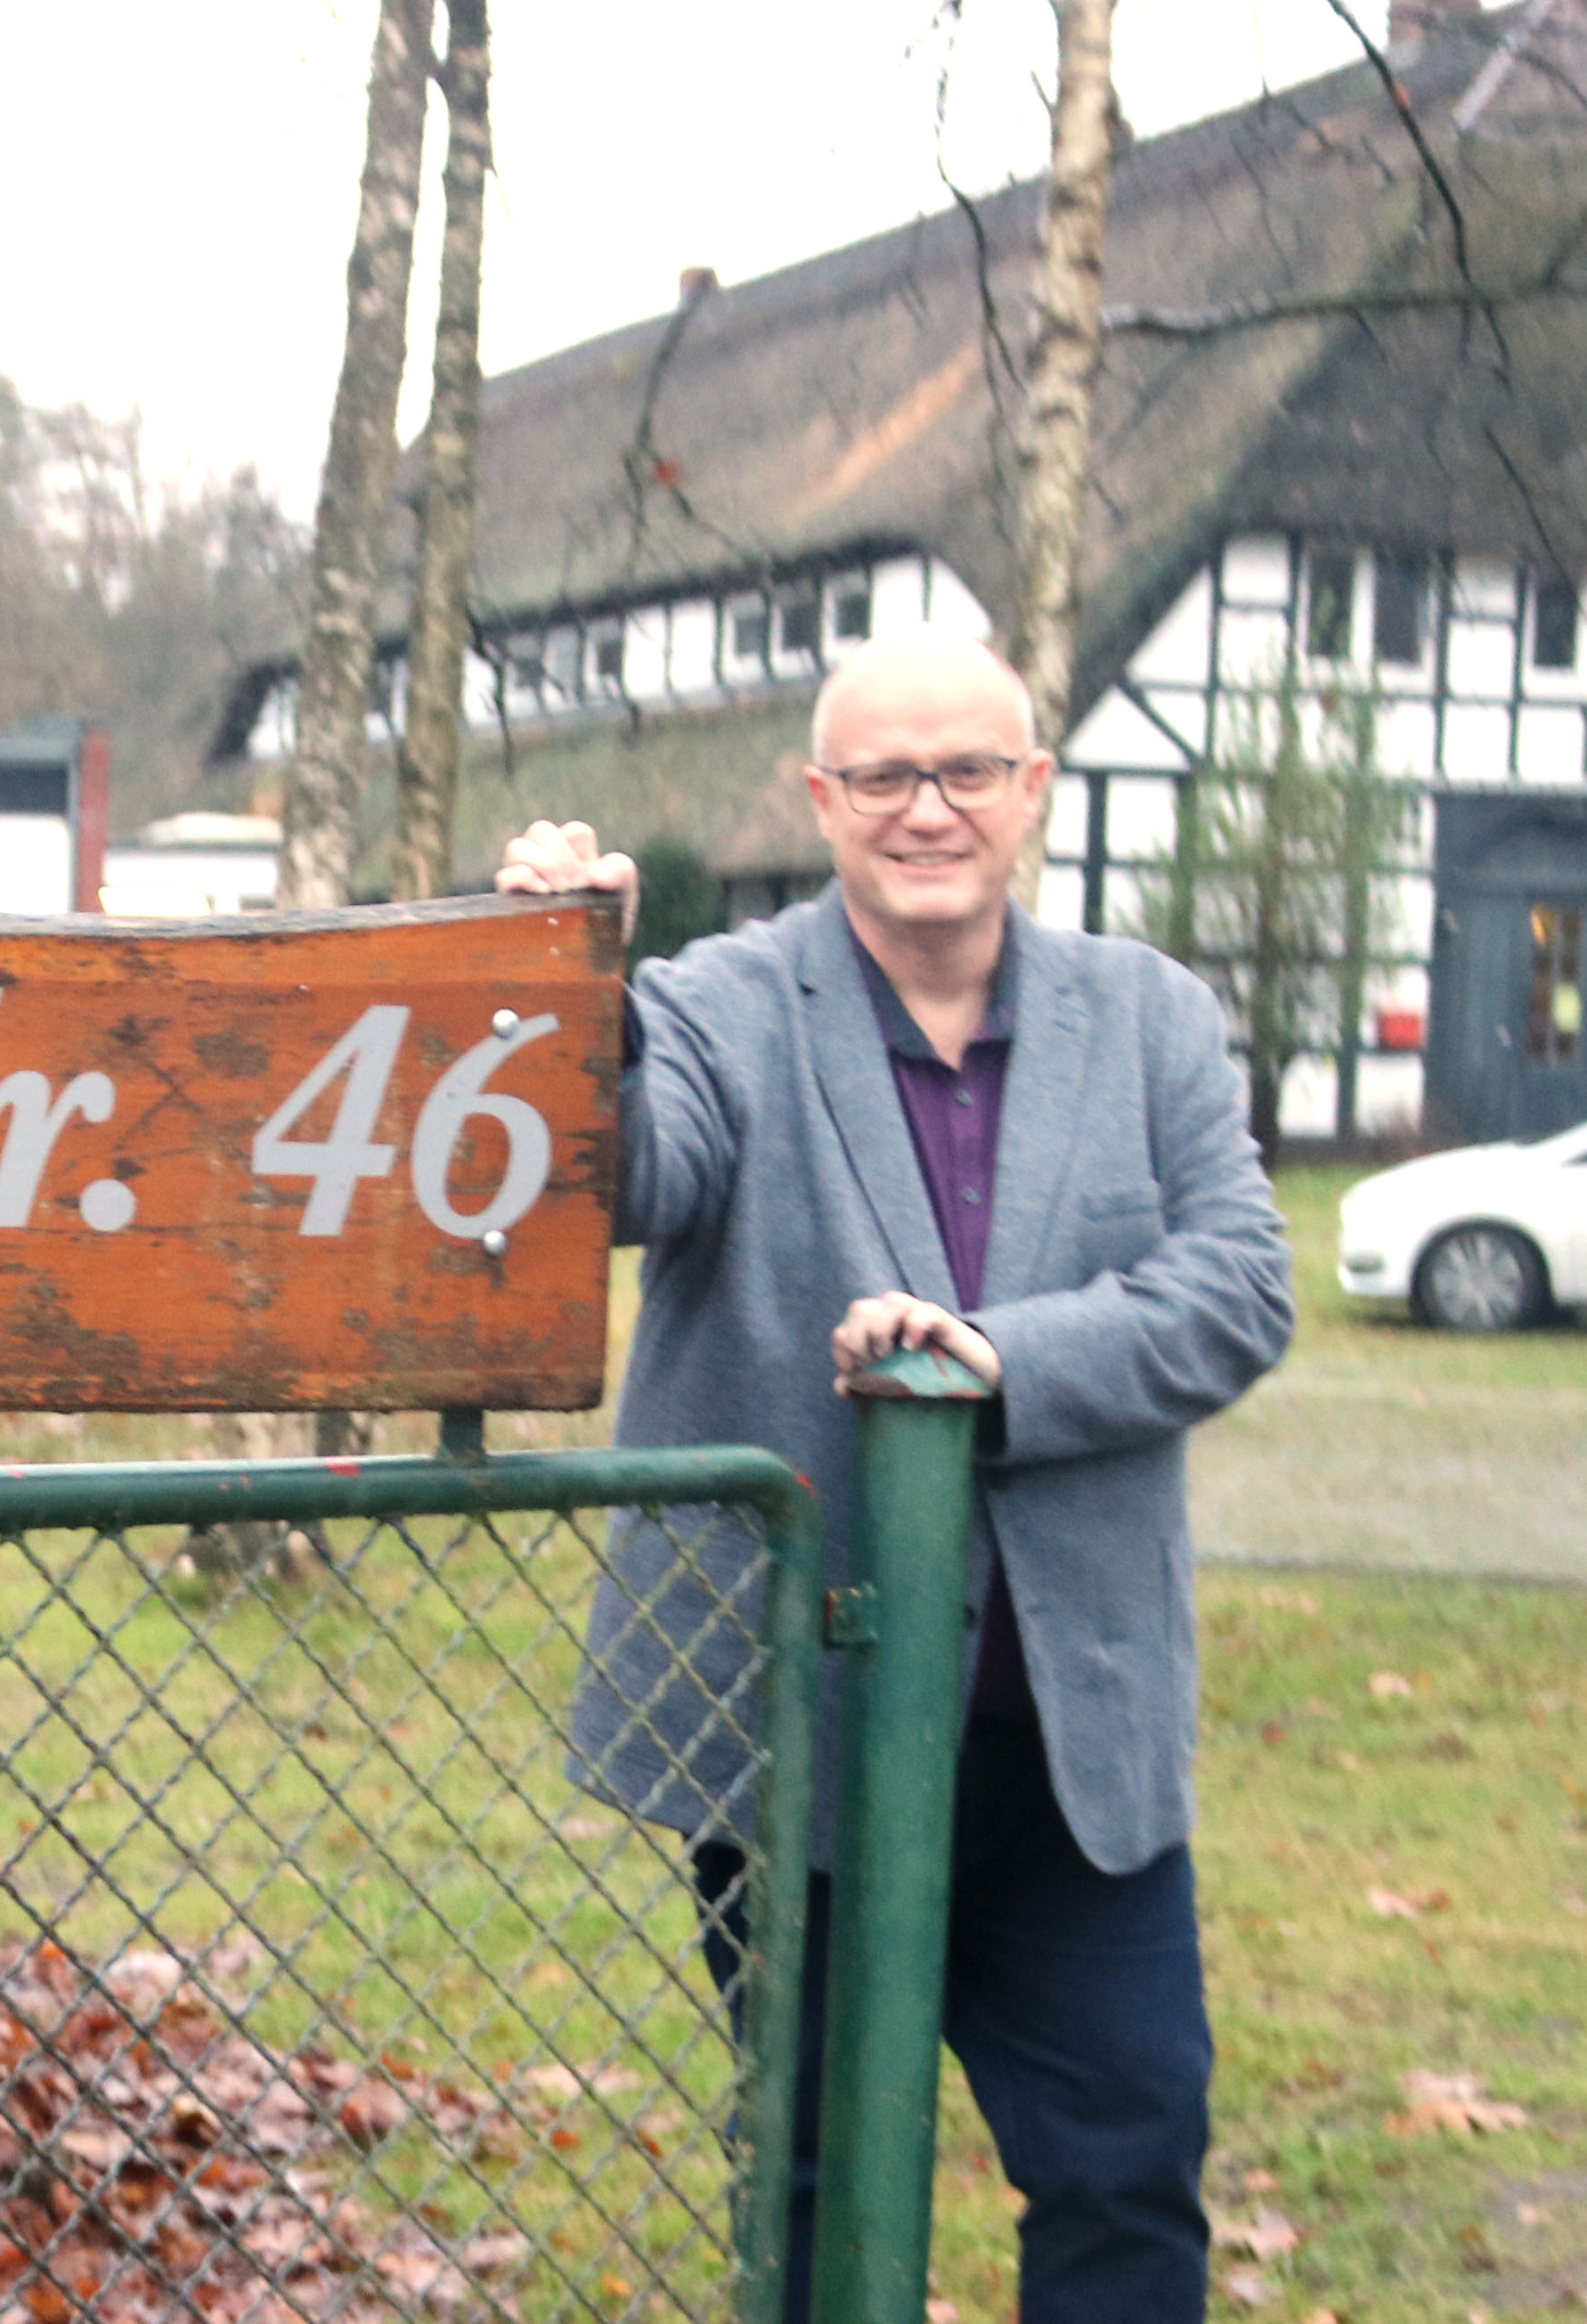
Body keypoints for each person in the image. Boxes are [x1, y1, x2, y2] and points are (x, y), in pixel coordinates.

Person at [501, 633, 1292, 2320]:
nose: (928, 810)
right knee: (815, 2173)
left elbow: (1239, 1289)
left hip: (1069, 1745)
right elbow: (627, 1178)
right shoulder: (720, 1001)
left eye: (968, 772)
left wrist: (996, 1362)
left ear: (1034, 789)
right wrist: (573, 985)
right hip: (807, 1738)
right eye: (883, 777)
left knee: (1130, 2161)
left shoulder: (1150, 1019)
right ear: (821, 798)